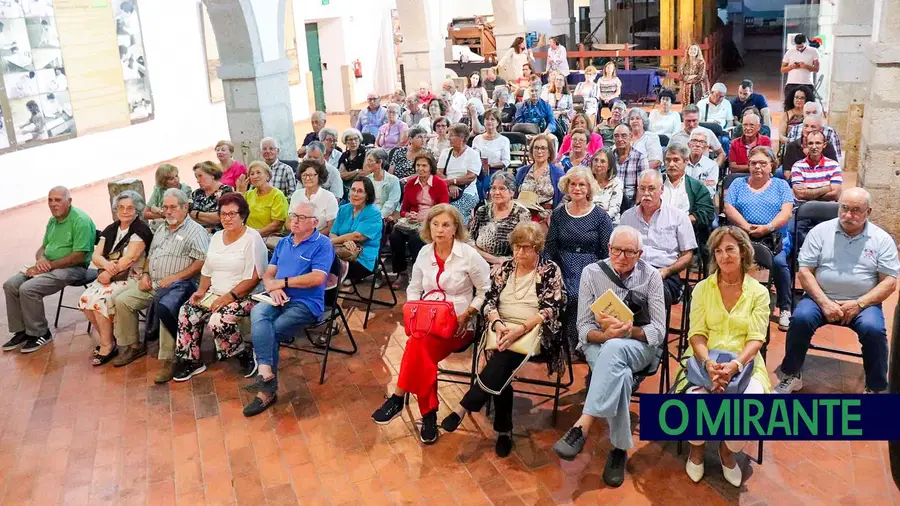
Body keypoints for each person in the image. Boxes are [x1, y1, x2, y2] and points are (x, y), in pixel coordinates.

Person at [552, 225, 666, 488]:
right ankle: (619, 449)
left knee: (616, 350)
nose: (622, 256)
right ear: (608, 249)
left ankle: (583, 424)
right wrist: (606, 335)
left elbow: (658, 330)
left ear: (640, 253)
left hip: (637, 345)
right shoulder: (592, 273)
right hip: (600, 344)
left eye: (629, 252)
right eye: (617, 250)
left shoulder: (651, 277)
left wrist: (630, 330)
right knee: (622, 376)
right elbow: (583, 327)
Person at [441, 222, 567, 456]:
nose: (520, 253)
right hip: (500, 329)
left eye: (526, 248)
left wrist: (520, 329)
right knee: (502, 360)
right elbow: (488, 300)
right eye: (517, 247)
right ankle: (502, 430)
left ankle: (466, 407)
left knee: (502, 357)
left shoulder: (550, 270)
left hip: (533, 331)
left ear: (537, 248)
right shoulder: (505, 268)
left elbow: (553, 306)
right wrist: (498, 323)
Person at [371, 204, 491, 444]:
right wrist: (415, 311)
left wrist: (468, 313)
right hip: (426, 323)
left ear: (455, 228)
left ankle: (399, 398)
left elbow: (486, 290)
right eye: (435, 224)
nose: (440, 230)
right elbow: (414, 287)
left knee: (418, 346)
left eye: (446, 225)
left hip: (458, 325)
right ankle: (427, 416)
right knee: (421, 346)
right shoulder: (425, 253)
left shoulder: (468, 255)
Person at [776, 187, 899, 394]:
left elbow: (889, 282)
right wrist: (824, 302)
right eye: (844, 208)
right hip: (820, 297)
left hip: (862, 302)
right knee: (800, 319)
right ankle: (791, 374)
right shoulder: (821, 232)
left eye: (856, 210)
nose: (848, 215)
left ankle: (875, 387)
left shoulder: (881, 239)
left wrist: (859, 304)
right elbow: (805, 272)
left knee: (874, 330)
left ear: (868, 212)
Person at [681, 226, 772, 488]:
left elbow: (756, 338)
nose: (724, 256)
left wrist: (734, 365)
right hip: (704, 359)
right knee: (695, 400)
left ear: (743, 252)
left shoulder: (759, 292)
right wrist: (709, 364)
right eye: (718, 251)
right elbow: (696, 333)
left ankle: (727, 450)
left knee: (751, 403)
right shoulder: (702, 288)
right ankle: (696, 448)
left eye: (730, 249)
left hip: (745, 362)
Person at [244, 202, 335, 416]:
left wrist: (282, 283)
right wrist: (271, 287)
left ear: (314, 223)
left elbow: (317, 278)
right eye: (293, 215)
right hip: (278, 297)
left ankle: (266, 391)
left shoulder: (322, 244)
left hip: (306, 303)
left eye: (302, 217)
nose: (295, 220)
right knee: (258, 312)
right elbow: (268, 274)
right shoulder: (284, 242)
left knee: (270, 332)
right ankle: (266, 373)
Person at [112, 188, 209, 378]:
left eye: (173, 207)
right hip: (154, 283)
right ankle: (134, 346)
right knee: (123, 301)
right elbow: (152, 254)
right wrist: (146, 274)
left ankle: (170, 359)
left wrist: (176, 277)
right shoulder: (162, 227)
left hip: (180, 287)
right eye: (165, 207)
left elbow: (202, 262)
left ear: (185, 207)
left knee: (166, 308)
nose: (168, 211)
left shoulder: (195, 231)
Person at [173, 193, 266, 381]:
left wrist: (227, 298)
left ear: (243, 215)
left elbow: (255, 278)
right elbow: (207, 269)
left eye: (232, 214)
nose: (227, 218)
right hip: (214, 293)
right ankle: (191, 361)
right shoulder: (216, 237)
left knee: (218, 319)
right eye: (223, 214)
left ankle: (243, 354)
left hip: (245, 296)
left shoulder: (252, 238)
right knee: (187, 310)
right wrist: (200, 291)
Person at [3, 187, 95, 354]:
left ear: (69, 201)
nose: (53, 204)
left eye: (58, 200)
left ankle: (40, 333)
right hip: (49, 265)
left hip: (74, 269)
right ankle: (22, 331)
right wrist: (41, 260)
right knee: (10, 284)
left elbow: (79, 256)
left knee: (28, 289)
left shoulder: (80, 220)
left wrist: (50, 266)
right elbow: (43, 248)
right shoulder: (53, 220)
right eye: (50, 200)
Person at [724, 146, 794, 330]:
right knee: (726, 258)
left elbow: (786, 213)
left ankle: (785, 307)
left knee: (779, 263)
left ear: (772, 166)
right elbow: (728, 207)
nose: (758, 167)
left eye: (763, 163)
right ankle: (727, 301)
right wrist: (746, 226)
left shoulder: (781, 186)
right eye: (754, 163)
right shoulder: (738, 184)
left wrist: (767, 227)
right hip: (742, 233)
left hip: (773, 235)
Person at [79, 191, 153, 365]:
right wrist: (106, 266)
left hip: (132, 277)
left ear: (137, 211)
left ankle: (106, 346)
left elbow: (130, 259)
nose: (125, 211)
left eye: (130, 208)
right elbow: (95, 256)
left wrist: (108, 273)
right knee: (86, 299)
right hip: (110, 274)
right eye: (121, 207)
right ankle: (108, 341)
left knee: (101, 300)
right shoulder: (111, 229)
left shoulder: (140, 230)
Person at [544, 167, 614, 350]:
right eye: (573, 184)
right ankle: (552, 342)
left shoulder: (600, 216)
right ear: (567, 187)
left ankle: (576, 343)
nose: (577, 188)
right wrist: (547, 270)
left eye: (581, 184)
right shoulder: (559, 214)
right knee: (549, 292)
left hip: (590, 265)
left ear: (589, 188)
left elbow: (608, 251)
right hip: (561, 264)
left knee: (574, 295)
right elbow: (550, 246)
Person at [621, 169, 697, 304]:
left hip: (664, 275)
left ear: (662, 189)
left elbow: (688, 256)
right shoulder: (627, 217)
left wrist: (666, 271)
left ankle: (644, 325)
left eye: (651, 189)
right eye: (642, 189)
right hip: (632, 271)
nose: (646, 194)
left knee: (646, 294)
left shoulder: (678, 217)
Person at [389, 154, 450, 288]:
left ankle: (420, 276)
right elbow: (403, 209)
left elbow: (444, 209)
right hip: (412, 221)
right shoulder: (411, 183)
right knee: (395, 235)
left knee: (415, 239)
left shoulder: (439, 183)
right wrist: (408, 214)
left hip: (433, 221)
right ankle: (402, 273)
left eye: (424, 166)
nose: (420, 169)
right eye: (418, 165)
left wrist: (425, 217)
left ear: (430, 167)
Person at [661, 142, 716, 256]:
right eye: (668, 160)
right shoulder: (656, 182)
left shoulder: (696, 186)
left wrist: (682, 220)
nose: (671, 164)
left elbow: (707, 213)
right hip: (656, 230)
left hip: (685, 233)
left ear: (686, 161)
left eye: (676, 160)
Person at [469, 172, 531, 268]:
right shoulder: (482, 211)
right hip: (479, 261)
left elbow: (524, 248)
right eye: (493, 188)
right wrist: (495, 260)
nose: (496, 192)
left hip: (509, 265)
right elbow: (470, 241)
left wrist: (504, 264)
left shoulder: (521, 214)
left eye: (502, 188)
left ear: (512, 192)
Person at [330, 177, 383, 283]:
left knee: (323, 266)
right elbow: (333, 232)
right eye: (353, 190)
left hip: (363, 259)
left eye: (360, 191)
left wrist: (328, 242)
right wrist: (345, 242)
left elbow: (357, 236)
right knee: (318, 262)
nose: (355, 194)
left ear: (367, 195)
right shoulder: (343, 209)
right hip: (341, 252)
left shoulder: (373, 213)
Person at [437, 123, 481, 224]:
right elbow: (438, 172)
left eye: (452, 135)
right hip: (446, 189)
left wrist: (453, 181)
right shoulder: (446, 152)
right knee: (435, 211)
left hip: (467, 192)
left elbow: (471, 177)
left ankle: (461, 235)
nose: (448, 138)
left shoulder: (473, 154)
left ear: (461, 138)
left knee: (453, 213)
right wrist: (450, 185)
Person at [236, 161, 288, 240]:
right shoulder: (248, 194)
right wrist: (240, 192)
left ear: (267, 176)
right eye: (252, 174)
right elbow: (236, 214)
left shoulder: (277, 195)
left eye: (258, 172)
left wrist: (255, 235)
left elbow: (277, 224)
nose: (255, 176)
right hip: (248, 235)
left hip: (269, 237)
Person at [515, 134, 566, 212]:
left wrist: (554, 216)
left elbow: (564, 199)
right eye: (536, 148)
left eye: (543, 148)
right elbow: (515, 195)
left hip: (547, 217)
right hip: (523, 214)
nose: (539, 151)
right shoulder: (522, 171)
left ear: (549, 152)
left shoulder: (558, 174)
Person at [782, 114, 840, 181]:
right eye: (806, 126)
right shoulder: (792, 146)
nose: (808, 129)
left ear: (820, 129)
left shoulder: (828, 147)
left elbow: (834, 169)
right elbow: (787, 171)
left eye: (813, 127)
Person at [289, 159, 338, 235]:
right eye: (304, 175)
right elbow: (289, 220)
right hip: (296, 236)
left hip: (319, 238)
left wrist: (310, 237)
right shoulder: (296, 195)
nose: (307, 178)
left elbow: (332, 227)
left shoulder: (329, 197)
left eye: (311, 175)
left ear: (319, 176)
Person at [189, 161, 234, 233]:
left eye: (200, 176)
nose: (197, 181)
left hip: (221, 234)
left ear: (212, 175)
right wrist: (210, 219)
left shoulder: (226, 191)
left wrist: (197, 214)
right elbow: (189, 215)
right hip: (199, 234)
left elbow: (221, 217)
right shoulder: (196, 193)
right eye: (196, 177)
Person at [611, 124, 650, 204]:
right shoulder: (609, 157)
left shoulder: (640, 157)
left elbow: (642, 186)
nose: (619, 139)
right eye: (616, 136)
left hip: (631, 202)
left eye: (624, 136)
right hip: (611, 200)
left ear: (631, 137)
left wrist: (635, 209)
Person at [364, 148, 401, 220]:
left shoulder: (393, 180)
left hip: (385, 215)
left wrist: (379, 217)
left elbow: (392, 203)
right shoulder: (367, 179)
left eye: (370, 160)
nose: (367, 163)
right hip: (368, 214)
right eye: (367, 160)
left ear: (380, 162)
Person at [590, 149, 624, 224]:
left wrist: (598, 221)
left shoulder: (616, 183)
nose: (598, 164)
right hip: (587, 222)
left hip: (610, 223)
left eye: (602, 161)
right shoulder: (586, 180)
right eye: (595, 160)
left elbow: (614, 209)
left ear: (609, 166)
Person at [781, 33, 819, 99]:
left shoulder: (813, 51)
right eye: (797, 47)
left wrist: (806, 66)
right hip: (791, 83)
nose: (799, 48)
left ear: (805, 43)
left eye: (801, 46)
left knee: (807, 105)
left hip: (807, 83)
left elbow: (816, 69)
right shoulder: (790, 52)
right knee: (789, 105)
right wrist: (791, 66)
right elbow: (782, 69)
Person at [685, 129, 720, 198]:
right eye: (694, 141)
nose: (697, 145)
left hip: (701, 202)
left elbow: (710, 191)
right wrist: (702, 184)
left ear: (706, 147)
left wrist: (687, 186)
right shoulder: (681, 162)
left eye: (701, 142)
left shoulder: (712, 166)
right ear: (689, 144)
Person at [338, 128, 367, 195]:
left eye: (355, 139)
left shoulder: (365, 153)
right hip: (346, 188)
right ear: (345, 142)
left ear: (359, 140)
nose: (353, 142)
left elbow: (364, 173)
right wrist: (356, 171)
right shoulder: (344, 155)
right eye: (350, 140)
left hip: (362, 187)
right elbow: (341, 175)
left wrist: (348, 174)